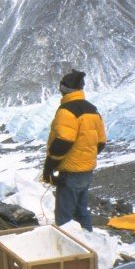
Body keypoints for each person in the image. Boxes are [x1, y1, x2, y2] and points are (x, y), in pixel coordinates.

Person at [41, 69, 106, 231]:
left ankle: (69, 251)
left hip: (70, 173)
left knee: (65, 217)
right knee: (81, 211)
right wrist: (85, 158)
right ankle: (89, 244)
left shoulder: (66, 111)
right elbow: (101, 142)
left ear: (64, 90)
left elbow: (62, 142)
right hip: (87, 171)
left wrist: (48, 168)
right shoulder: (92, 110)